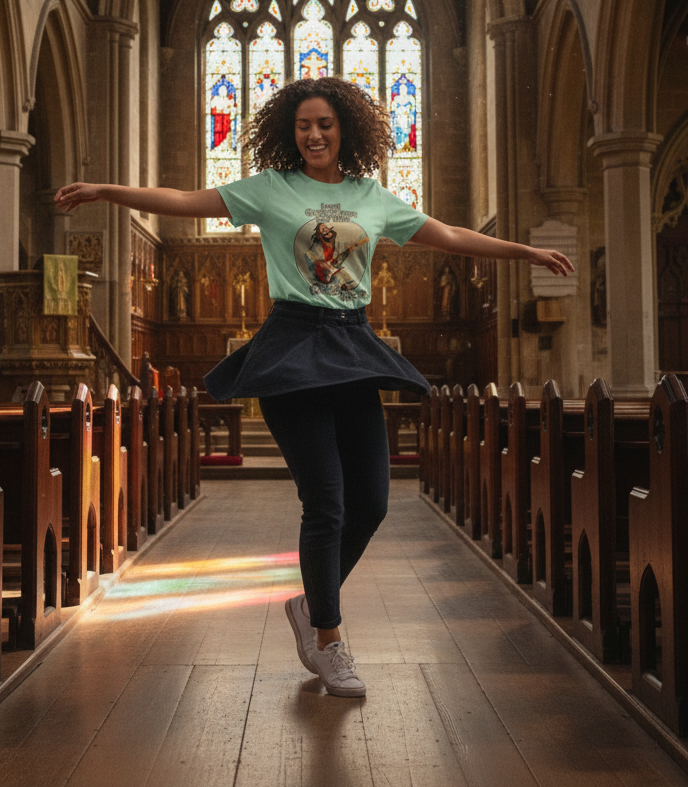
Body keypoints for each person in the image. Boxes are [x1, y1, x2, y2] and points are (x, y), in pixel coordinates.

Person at [54, 76, 573, 698]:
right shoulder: (271, 190)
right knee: (325, 501)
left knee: (372, 502)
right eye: (303, 125)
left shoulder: (373, 197)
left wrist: (526, 253)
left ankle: (309, 604)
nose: (314, 134)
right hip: (292, 346)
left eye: (325, 124)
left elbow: (452, 235)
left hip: (352, 344)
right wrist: (108, 191)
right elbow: (185, 200)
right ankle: (330, 639)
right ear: (289, 132)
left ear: (344, 130)